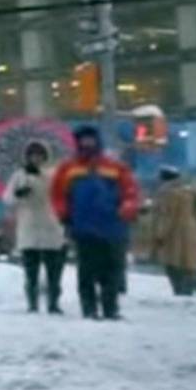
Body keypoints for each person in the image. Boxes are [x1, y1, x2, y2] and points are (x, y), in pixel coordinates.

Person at [50, 125, 140, 320]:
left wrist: (126, 210)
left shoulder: (115, 167)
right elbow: (58, 195)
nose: (87, 143)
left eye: (90, 139)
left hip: (113, 227)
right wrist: (64, 215)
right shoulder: (68, 169)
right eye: (83, 140)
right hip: (84, 228)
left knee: (112, 271)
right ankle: (89, 309)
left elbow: (130, 192)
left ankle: (110, 307)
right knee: (87, 272)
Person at [3, 140, 66, 314]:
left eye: (40, 155)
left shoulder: (54, 175)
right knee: (31, 272)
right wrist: (18, 194)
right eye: (32, 156)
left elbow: (63, 193)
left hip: (52, 227)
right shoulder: (19, 176)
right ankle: (32, 303)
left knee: (54, 272)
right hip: (28, 228)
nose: (36, 159)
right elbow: (7, 198)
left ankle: (53, 303)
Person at [150, 166, 196, 297]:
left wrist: (159, 236)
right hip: (192, 231)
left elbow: (165, 216)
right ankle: (195, 287)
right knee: (190, 263)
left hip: (173, 235)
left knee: (173, 265)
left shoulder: (166, 193)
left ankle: (181, 291)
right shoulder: (190, 192)